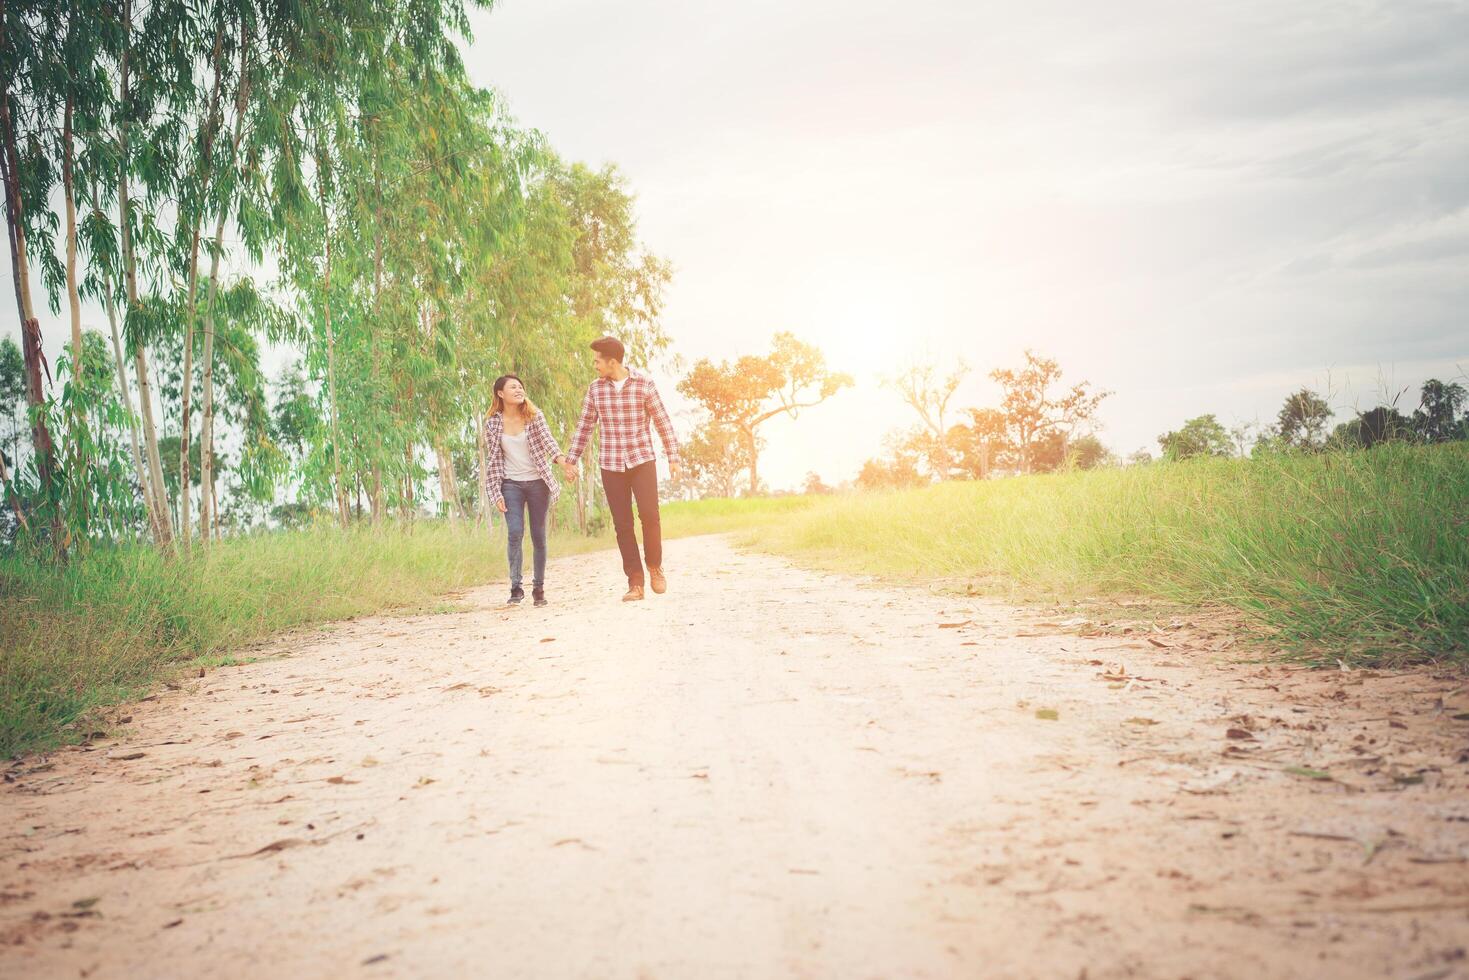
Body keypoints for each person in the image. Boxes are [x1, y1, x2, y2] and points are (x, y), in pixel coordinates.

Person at [561, 336, 682, 602]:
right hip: (611, 463)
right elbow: (585, 426)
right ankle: (635, 582)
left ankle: (654, 566)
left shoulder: (644, 384)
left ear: (612, 361)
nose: (595, 365)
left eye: (597, 361)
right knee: (623, 524)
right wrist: (571, 460)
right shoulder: (595, 390)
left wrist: (673, 456)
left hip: (641, 459)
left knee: (650, 515)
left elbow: (662, 421)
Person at [484, 374, 569, 607]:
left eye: (521, 386)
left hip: (538, 483)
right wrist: (495, 492)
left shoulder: (534, 416)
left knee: (538, 535)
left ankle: (538, 588)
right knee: (514, 532)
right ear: (500, 393)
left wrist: (564, 462)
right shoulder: (492, 423)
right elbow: (492, 460)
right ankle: (516, 587)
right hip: (510, 484)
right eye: (513, 387)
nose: (519, 390)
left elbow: (549, 443)